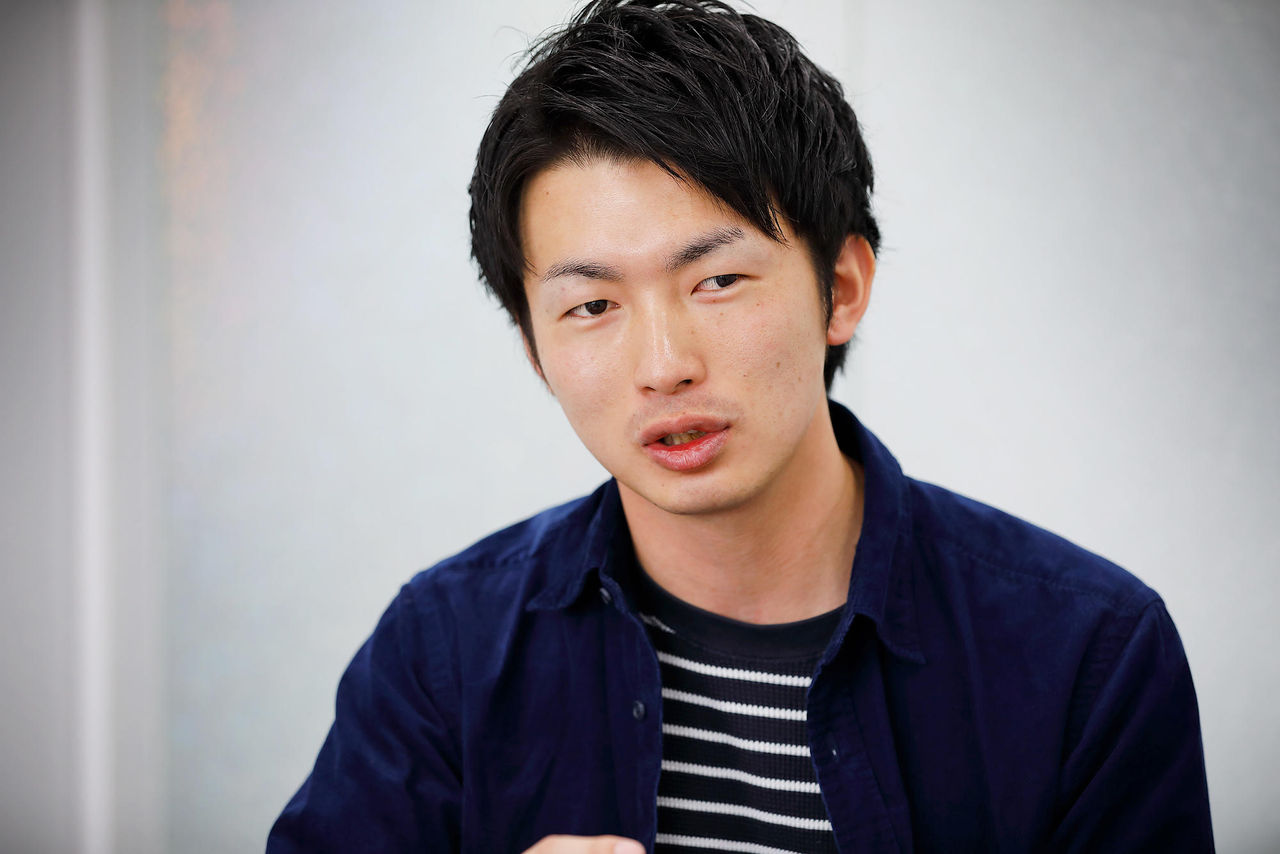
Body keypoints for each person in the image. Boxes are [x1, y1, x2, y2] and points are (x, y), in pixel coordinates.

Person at [267, 1, 1214, 851]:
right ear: (534, 349)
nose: (663, 363)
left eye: (716, 280)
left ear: (841, 287)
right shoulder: (445, 650)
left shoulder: (1088, 654)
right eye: (591, 306)